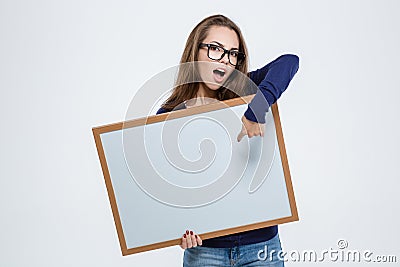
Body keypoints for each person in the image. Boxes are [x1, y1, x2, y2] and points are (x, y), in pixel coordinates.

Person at [156, 14, 299, 267]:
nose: (225, 59)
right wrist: (176, 229)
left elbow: (289, 62)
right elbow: (166, 190)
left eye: (233, 53)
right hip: (205, 253)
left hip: (262, 248)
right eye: (215, 49)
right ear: (195, 51)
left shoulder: (244, 92)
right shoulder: (168, 117)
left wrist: (256, 107)